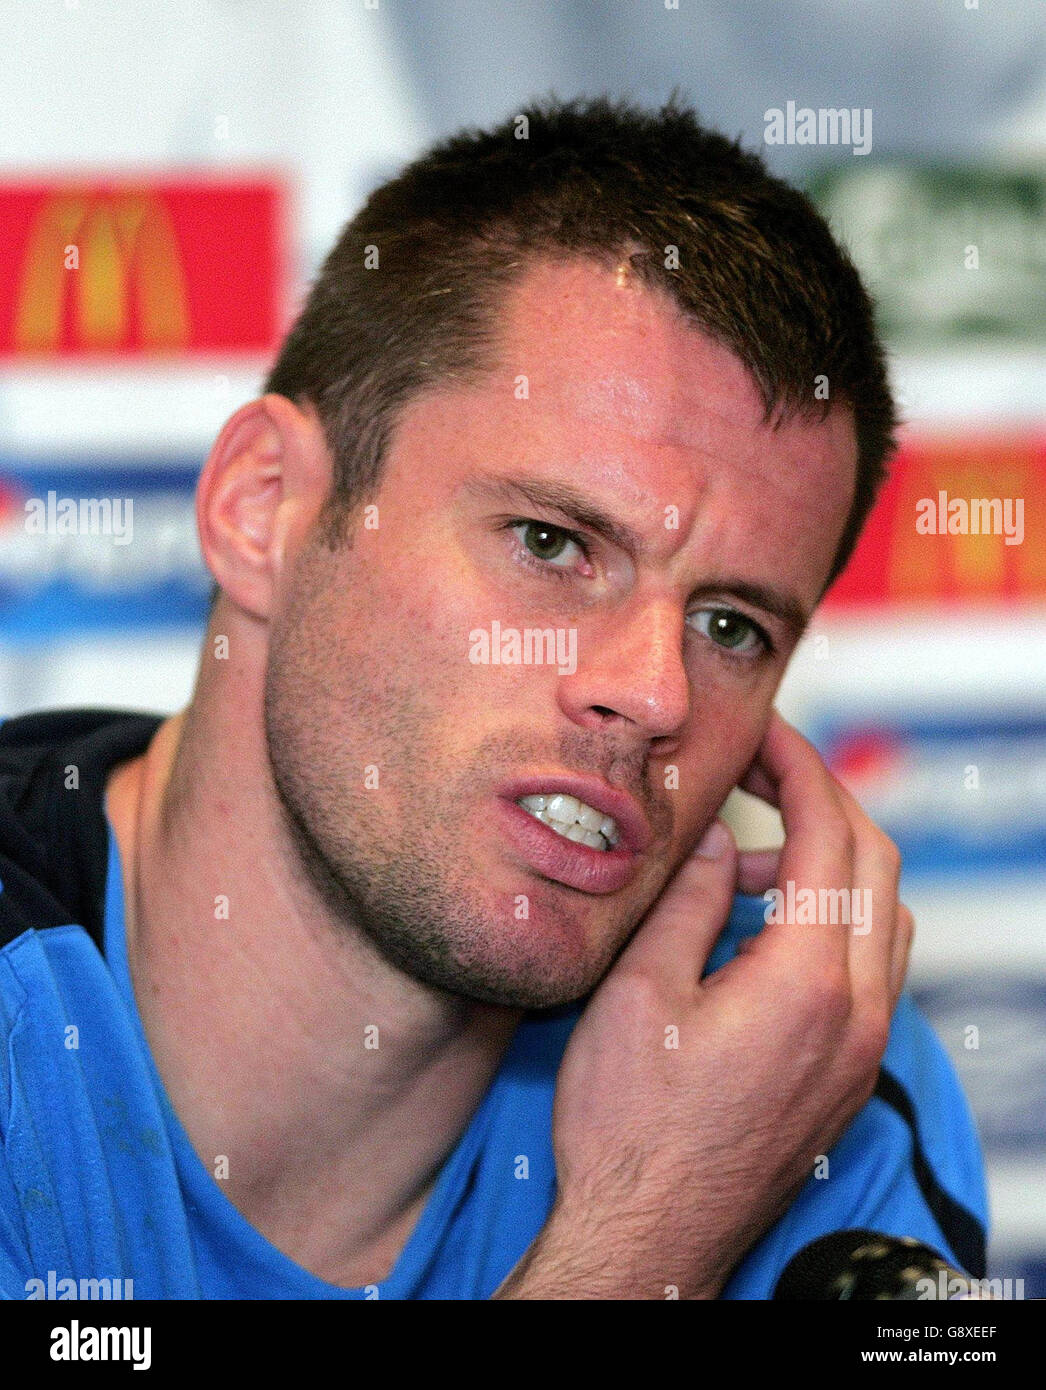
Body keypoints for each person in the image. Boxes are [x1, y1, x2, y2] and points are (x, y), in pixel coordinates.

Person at [0, 96, 986, 1300]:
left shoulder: (790, 1079)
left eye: (730, 625)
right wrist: (646, 1231)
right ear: (264, 508)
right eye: (551, 541)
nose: (650, 691)